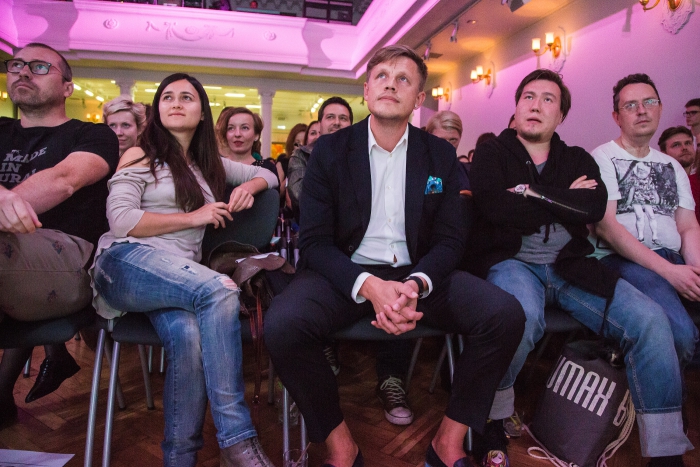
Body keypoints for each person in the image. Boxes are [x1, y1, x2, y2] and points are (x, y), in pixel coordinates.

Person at [264, 44, 525, 467]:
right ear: (367, 90)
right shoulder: (330, 150)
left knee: (505, 315)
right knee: (282, 324)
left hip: (417, 274)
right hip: (345, 273)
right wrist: (370, 286)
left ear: (419, 99)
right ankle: (341, 447)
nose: (391, 84)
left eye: (403, 79)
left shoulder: (439, 154)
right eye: (382, 76)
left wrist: (414, 284)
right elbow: (315, 242)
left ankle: (448, 443)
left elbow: (449, 240)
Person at [467, 69, 693, 467]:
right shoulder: (492, 154)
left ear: (561, 116)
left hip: (572, 266)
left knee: (651, 320)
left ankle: (666, 452)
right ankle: (494, 417)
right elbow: (495, 207)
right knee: (518, 319)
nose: (536, 105)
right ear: (516, 108)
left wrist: (528, 193)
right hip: (514, 263)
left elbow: (591, 207)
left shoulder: (576, 158)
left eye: (548, 99)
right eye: (528, 97)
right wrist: (561, 198)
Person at [90, 73, 278, 467]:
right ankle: (236, 439)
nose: (176, 102)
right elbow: (121, 219)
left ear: (203, 113)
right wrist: (195, 216)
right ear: (157, 110)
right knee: (220, 289)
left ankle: (180, 459)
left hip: (178, 278)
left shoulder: (208, 165)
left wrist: (248, 187)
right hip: (125, 263)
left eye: (187, 97)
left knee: (190, 337)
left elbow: (269, 174)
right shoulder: (140, 155)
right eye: (168, 97)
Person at [0, 43, 119, 426]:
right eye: (16, 64)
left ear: (68, 86)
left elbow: (64, 180)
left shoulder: (93, 135)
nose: (23, 72)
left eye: (39, 66)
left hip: (67, 263)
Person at [590, 76, 700, 457]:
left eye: (649, 102)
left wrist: (694, 268)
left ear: (660, 108)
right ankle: (667, 431)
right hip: (625, 259)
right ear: (616, 116)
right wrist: (670, 273)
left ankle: (659, 395)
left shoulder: (671, 165)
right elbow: (607, 227)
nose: (641, 111)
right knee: (680, 333)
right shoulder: (602, 158)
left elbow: (687, 225)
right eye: (630, 105)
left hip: (674, 258)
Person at [287, 96, 353, 215]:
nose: (337, 122)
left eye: (343, 118)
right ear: (320, 125)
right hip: (314, 223)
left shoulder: (359, 154)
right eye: (330, 117)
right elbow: (301, 196)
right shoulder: (301, 155)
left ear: (351, 125)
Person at [215, 106, 278, 179]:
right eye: (231, 128)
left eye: (245, 128)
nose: (237, 134)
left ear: (256, 135)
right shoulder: (215, 166)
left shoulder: (267, 168)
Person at [658, 126, 699, 223]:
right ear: (664, 153)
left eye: (688, 143)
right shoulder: (660, 186)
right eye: (676, 145)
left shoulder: (698, 178)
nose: (684, 148)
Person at [425, 111, 469, 192]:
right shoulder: (417, 171)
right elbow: (433, 196)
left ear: (460, 137)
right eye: (441, 140)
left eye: (453, 140)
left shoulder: (468, 172)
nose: (448, 146)